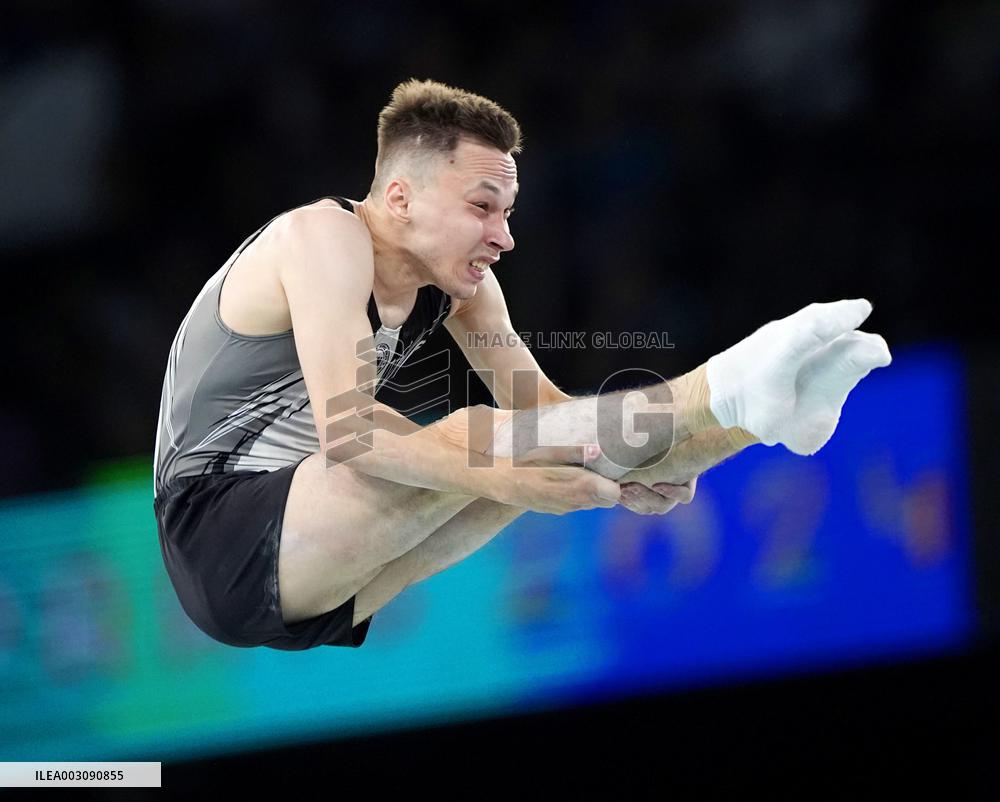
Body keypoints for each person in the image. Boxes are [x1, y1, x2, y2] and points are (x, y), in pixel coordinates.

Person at [153, 79, 891, 651]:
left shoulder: (465, 288)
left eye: (507, 213)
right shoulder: (320, 238)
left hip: (315, 580)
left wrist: (637, 463)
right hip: (218, 530)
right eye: (483, 206)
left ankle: (755, 416)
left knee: (552, 452)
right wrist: (505, 469)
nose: (503, 237)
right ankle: (727, 383)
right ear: (401, 197)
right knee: (483, 441)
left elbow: (550, 419)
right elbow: (350, 433)